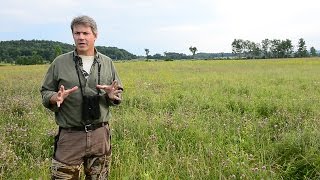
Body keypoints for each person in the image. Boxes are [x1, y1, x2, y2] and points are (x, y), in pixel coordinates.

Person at [40, 15, 123, 179]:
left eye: (85, 33)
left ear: (95, 35)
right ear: (72, 35)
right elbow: (45, 91)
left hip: (100, 136)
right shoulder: (59, 62)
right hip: (70, 136)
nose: (81, 37)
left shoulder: (107, 63)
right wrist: (54, 97)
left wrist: (113, 96)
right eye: (77, 33)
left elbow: (117, 92)